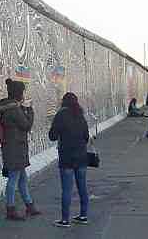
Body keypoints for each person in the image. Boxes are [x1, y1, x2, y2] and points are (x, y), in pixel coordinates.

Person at [0, 78, 41, 220]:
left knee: (22, 178)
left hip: (13, 148)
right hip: (15, 149)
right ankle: (11, 209)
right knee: (14, 179)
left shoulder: (8, 107)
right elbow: (26, 125)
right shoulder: (14, 109)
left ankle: (29, 205)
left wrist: (22, 108)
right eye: (22, 92)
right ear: (18, 93)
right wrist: (29, 109)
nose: (23, 94)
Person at [49, 92, 90, 228]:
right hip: (81, 156)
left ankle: (65, 220)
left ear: (64, 102)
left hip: (66, 157)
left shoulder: (61, 115)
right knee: (82, 187)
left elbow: (52, 136)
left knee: (67, 189)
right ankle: (83, 216)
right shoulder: (80, 115)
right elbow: (86, 137)